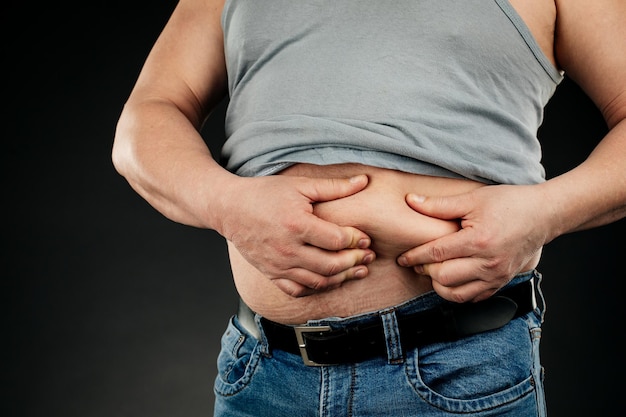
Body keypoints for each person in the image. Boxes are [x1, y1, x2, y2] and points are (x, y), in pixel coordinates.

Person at [112, 0, 625, 415]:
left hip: (461, 370)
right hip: (263, 376)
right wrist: (225, 203)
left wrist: (544, 213)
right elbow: (149, 115)